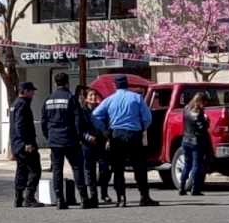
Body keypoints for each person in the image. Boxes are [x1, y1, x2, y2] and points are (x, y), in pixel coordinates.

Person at [92, 74, 159, 207]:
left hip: (117, 135)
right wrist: (142, 127)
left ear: (115, 85)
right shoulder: (137, 98)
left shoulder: (109, 99)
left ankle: (121, 198)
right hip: (134, 134)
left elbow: (95, 115)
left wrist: (104, 130)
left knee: (118, 168)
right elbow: (147, 117)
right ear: (127, 84)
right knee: (139, 167)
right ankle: (144, 197)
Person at [42, 72, 93, 210]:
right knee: (77, 168)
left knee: (57, 170)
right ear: (67, 83)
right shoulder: (70, 98)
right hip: (70, 139)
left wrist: (49, 136)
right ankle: (84, 198)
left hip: (54, 140)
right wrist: (79, 137)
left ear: (55, 83)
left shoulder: (48, 100)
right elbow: (77, 120)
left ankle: (60, 200)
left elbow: (44, 122)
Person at [9, 81, 44, 208]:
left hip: (17, 144)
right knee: (35, 170)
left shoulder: (15, 104)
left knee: (21, 170)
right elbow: (20, 125)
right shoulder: (22, 104)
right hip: (25, 145)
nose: (33, 93)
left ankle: (18, 198)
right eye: (31, 91)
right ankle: (29, 197)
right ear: (24, 91)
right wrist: (27, 143)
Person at [80, 88, 115, 205]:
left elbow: (108, 126)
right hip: (88, 145)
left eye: (95, 95)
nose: (93, 97)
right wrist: (88, 137)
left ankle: (104, 193)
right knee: (90, 171)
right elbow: (79, 129)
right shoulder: (82, 112)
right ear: (85, 98)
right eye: (90, 95)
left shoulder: (102, 111)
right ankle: (93, 195)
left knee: (105, 169)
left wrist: (108, 139)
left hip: (101, 144)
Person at [180, 92, 210, 196]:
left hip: (185, 140)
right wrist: (207, 121)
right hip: (196, 141)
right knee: (196, 165)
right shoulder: (199, 112)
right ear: (201, 101)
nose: (205, 104)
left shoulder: (186, 108)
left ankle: (182, 187)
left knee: (187, 165)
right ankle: (195, 188)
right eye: (205, 102)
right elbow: (202, 128)